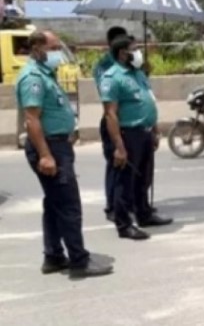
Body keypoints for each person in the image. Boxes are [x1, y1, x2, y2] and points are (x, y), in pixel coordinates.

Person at [15, 30, 113, 277]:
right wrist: (46, 155)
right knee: (69, 206)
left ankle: (53, 256)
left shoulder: (47, 74)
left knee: (54, 204)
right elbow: (31, 119)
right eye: (53, 47)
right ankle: (79, 260)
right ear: (37, 48)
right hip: (49, 147)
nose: (58, 53)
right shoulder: (33, 78)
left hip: (58, 145)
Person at [100, 36, 173, 240]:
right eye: (135, 49)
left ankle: (144, 214)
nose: (139, 52)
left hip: (145, 131)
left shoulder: (138, 73)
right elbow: (110, 114)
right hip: (127, 133)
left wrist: (154, 129)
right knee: (125, 182)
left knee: (144, 177)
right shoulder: (112, 77)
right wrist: (119, 146)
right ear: (123, 53)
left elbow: (147, 100)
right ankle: (124, 225)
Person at [93, 26, 129, 222]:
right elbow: (107, 95)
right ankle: (112, 207)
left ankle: (127, 203)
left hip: (131, 123)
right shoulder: (104, 67)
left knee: (129, 168)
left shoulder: (129, 66)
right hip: (113, 120)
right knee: (115, 165)